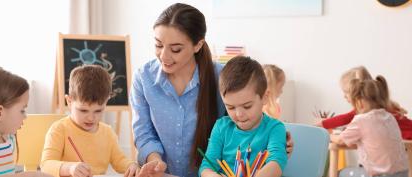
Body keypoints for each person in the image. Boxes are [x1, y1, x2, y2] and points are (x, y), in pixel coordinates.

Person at [131, 3, 293, 177]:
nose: (164, 56)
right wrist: (155, 162)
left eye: (175, 49)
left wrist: (275, 139)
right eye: (158, 45)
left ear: (198, 45)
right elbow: (143, 132)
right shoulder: (143, 78)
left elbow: (244, 121)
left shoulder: (221, 77)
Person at [40, 65, 139, 177]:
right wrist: (70, 168)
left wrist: (131, 166)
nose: (91, 118)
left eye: (98, 111)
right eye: (83, 110)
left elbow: (120, 160)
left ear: (106, 102)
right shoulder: (59, 129)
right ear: (69, 101)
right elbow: (46, 165)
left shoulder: (108, 133)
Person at [200, 56, 287, 177]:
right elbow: (206, 167)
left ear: (265, 97)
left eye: (247, 106)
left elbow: (276, 163)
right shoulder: (221, 127)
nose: (239, 114)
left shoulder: (275, 128)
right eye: (230, 107)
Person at [330, 76, 409, 177]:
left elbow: (340, 140)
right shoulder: (389, 117)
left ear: (359, 102)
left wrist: (330, 135)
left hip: (380, 175)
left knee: (340, 173)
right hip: (403, 173)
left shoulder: (361, 120)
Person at [316, 66, 412, 140]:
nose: (344, 96)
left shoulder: (370, 110)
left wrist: (322, 124)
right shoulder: (380, 104)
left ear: (358, 93)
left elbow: (345, 118)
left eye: (346, 92)